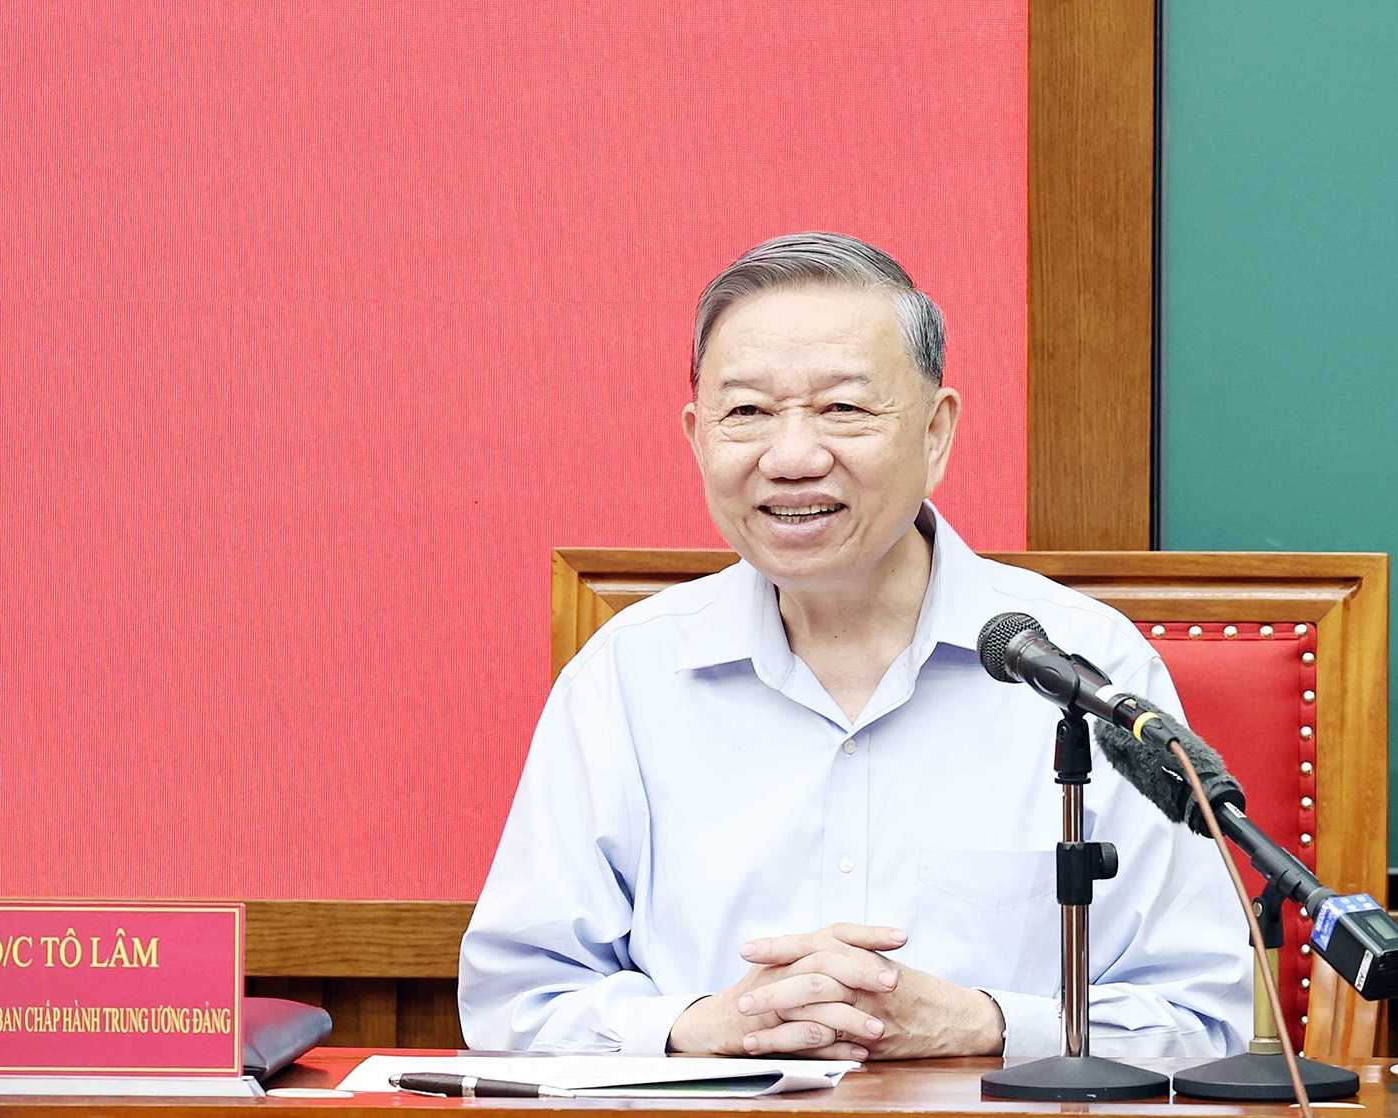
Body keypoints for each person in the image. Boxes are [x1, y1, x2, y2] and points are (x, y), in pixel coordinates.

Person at [457, 232, 1251, 1060]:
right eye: (747, 413)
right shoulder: (627, 675)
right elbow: (517, 999)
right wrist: (697, 1026)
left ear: (936, 434)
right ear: (697, 438)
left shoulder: (1082, 668)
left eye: (843, 409)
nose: (793, 457)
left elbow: (1205, 1017)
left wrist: (982, 1025)